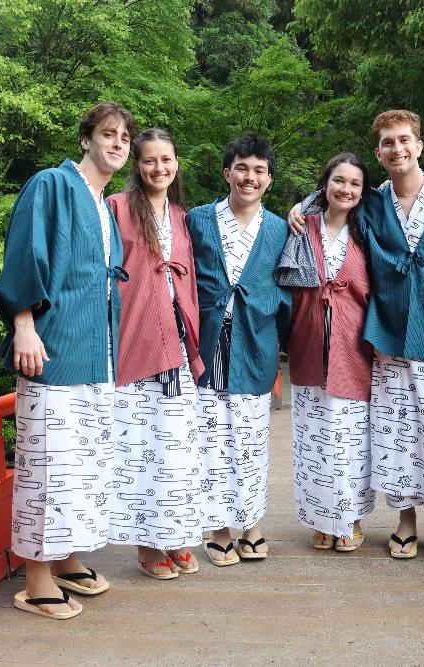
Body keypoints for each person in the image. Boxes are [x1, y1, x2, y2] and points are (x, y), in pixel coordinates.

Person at [291, 111, 424, 562]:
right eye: (388, 143)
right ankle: (405, 521)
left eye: (404, 140)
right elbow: (335, 197)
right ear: (379, 152)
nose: (397, 149)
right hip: (388, 334)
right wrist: (300, 207)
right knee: (396, 433)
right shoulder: (373, 202)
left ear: (420, 144)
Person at [0, 101, 137, 618]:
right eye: (108, 133)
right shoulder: (50, 185)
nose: (117, 143)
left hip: (96, 351)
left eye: (124, 136)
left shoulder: (104, 205)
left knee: (85, 464)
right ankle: (35, 580)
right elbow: (24, 254)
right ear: (86, 139)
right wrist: (24, 325)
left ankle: (67, 558)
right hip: (52, 347)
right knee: (50, 466)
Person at [187, 132, 292, 565]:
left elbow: (288, 285)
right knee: (210, 433)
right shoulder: (197, 219)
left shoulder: (281, 227)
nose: (250, 178)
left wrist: (269, 311)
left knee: (250, 435)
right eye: (242, 169)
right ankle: (217, 525)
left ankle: (251, 522)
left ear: (269, 178)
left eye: (259, 171)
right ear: (227, 172)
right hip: (209, 337)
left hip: (254, 338)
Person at [106, 129, 205, 579]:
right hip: (138, 342)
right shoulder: (117, 209)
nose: (159, 168)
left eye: (167, 159)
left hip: (179, 347)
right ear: (137, 165)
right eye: (149, 160)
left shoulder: (182, 218)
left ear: (176, 163)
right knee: (142, 448)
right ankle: (147, 544)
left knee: (177, 447)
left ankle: (175, 534)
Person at [284, 153, 376, 551]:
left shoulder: (369, 229)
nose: (346, 190)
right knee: (313, 437)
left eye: (355, 183)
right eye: (339, 181)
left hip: (352, 344)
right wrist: (301, 205)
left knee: (350, 435)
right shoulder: (304, 226)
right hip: (308, 339)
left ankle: (349, 517)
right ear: (325, 184)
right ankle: (322, 518)